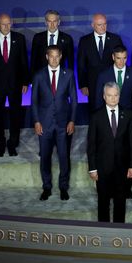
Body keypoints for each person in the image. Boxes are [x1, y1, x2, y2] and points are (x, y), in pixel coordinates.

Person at [30, 44, 77, 201]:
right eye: (52, 56)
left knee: (64, 157)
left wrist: (72, 120)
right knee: (45, 157)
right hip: (44, 124)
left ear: (61, 56)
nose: (55, 59)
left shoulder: (69, 74)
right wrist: (36, 121)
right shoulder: (38, 75)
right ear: (46, 57)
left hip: (64, 125)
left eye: (57, 56)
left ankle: (63, 187)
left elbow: (74, 101)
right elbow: (34, 101)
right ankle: (47, 188)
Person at [87, 82, 132, 223]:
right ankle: (104, 231)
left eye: (116, 95)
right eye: (110, 95)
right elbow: (91, 145)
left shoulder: (127, 114)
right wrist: (92, 168)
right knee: (103, 201)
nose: (113, 98)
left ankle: (119, 231)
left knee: (120, 201)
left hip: (122, 168)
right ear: (104, 96)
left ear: (119, 96)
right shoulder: (96, 116)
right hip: (102, 167)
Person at [0, 13, 29, 157]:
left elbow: (23, 62)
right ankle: (0, 144)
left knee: (16, 115)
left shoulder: (19, 39)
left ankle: (13, 143)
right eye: (3, 24)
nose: (6, 26)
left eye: (9, 23)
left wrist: (25, 82)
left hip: (15, 84)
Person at [77, 13, 123, 100]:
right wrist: (83, 85)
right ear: (93, 25)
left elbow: (121, 62)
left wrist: (120, 82)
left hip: (112, 83)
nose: (103, 27)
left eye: (105, 24)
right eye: (99, 25)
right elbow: (81, 65)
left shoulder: (115, 39)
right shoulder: (84, 41)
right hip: (92, 83)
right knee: (94, 110)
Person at [95, 45, 132, 124]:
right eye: (118, 58)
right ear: (113, 57)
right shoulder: (103, 75)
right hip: (109, 117)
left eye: (124, 58)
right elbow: (98, 100)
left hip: (129, 117)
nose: (122, 62)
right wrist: (100, 121)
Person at [30, 10, 74, 76]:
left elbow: (71, 62)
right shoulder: (38, 38)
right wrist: (32, 79)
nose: (52, 24)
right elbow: (33, 60)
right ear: (45, 22)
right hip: (42, 77)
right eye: (49, 21)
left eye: (55, 21)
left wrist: (70, 79)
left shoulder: (67, 38)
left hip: (61, 77)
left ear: (59, 22)